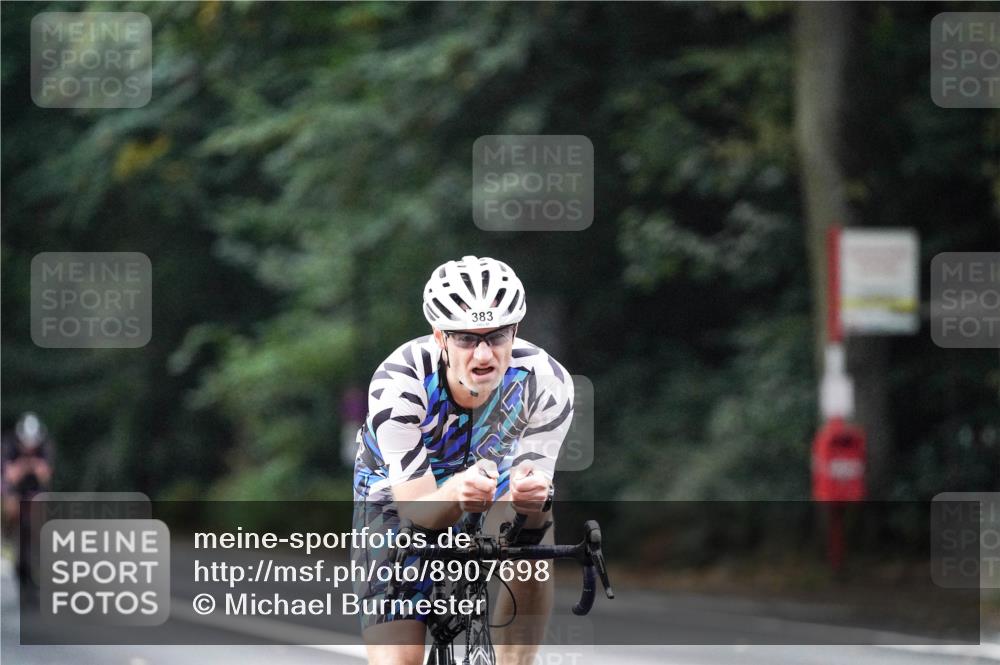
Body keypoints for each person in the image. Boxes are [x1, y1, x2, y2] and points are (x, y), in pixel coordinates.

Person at [352, 256, 574, 665]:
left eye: (497, 336)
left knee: (533, 534)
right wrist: (455, 490)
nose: (484, 354)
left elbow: (528, 492)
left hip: (493, 474)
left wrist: (529, 499)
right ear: (439, 336)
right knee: (398, 658)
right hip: (398, 485)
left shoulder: (547, 381)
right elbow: (416, 514)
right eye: (466, 339)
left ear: (516, 331)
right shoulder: (399, 380)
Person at [2, 412, 54, 586]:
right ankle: (7, 537)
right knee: (11, 506)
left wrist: (26, 465)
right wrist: (29, 464)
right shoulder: (9, 446)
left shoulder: (45, 447)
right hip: (13, 492)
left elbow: (45, 476)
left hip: (36, 491)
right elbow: (11, 477)